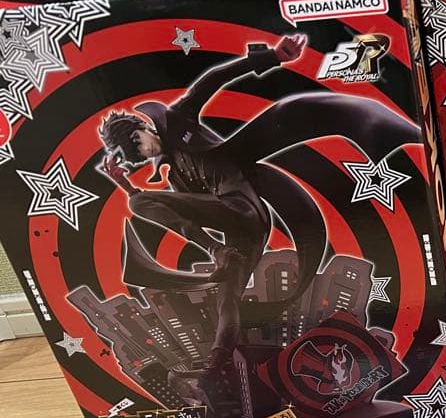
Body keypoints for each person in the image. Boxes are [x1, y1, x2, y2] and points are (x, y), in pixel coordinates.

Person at [98, 34, 420, 373]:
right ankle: (216, 365)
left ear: (143, 127)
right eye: (137, 154)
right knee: (227, 298)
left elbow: (212, 79)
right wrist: (124, 184)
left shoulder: (178, 120)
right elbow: (184, 214)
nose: (144, 151)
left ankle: (218, 252)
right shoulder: (176, 176)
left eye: (139, 142)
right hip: (241, 234)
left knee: (140, 202)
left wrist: (271, 57)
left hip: (244, 209)